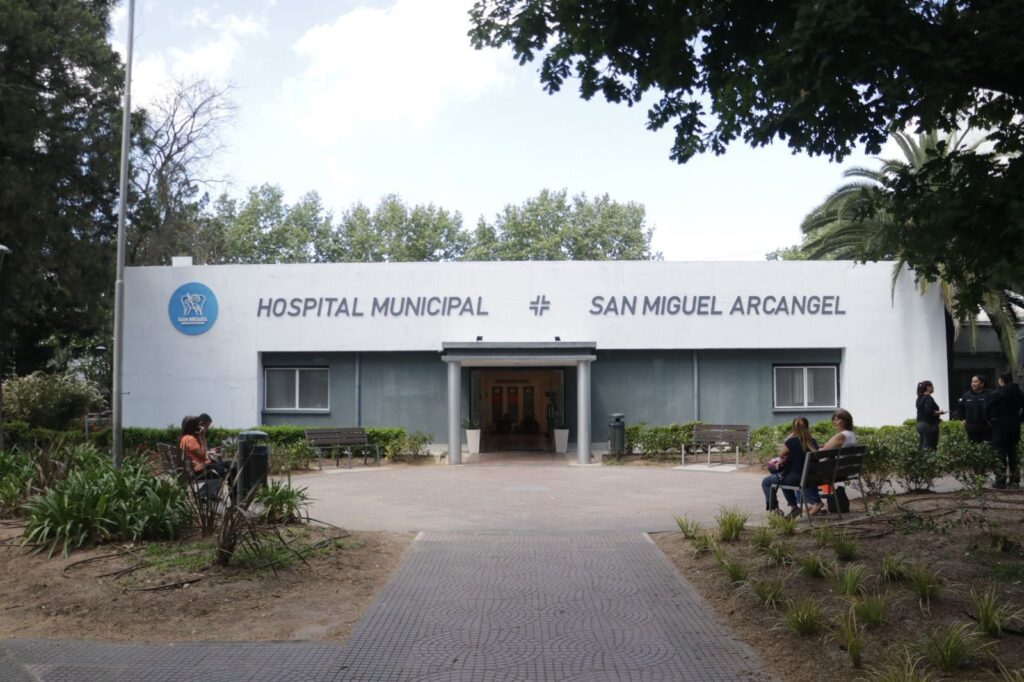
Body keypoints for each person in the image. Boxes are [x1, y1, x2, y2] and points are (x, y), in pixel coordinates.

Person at [761, 416, 818, 518]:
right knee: (782, 478)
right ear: (807, 427)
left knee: (766, 482)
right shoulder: (812, 441)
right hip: (809, 477)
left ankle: (775, 509)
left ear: (793, 428)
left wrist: (788, 438)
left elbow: (781, 454)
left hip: (796, 478)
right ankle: (793, 508)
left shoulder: (791, 441)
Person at [984, 372, 1024, 489]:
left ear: (1001, 380)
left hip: (999, 425)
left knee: (999, 452)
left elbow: (986, 408)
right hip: (1014, 425)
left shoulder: (997, 392)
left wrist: (990, 420)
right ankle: (1014, 480)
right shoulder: (1019, 392)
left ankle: (1000, 480)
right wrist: (1019, 419)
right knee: (1013, 452)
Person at [179, 415, 227, 480]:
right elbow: (203, 456)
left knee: (223, 467)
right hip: (200, 471)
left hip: (196, 470)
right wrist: (202, 437)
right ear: (193, 426)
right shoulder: (190, 439)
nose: (199, 427)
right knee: (227, 468)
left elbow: (200, 454)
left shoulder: (184, 438)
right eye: (198, 425)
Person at [958, 375, 992, 444]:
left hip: (986, 427)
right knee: (972, 447)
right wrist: (962, 419)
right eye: (972, 382)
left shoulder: (990, 394)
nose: (973, 383)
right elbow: (960, 408)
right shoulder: (966, 395)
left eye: (975, 382)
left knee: (987, 447)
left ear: (982, 384)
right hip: (971, 428)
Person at [915, 380, 945, 450]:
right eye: (932, 386)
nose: (933, 388)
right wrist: (939, 412)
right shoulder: (928, 398)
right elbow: (929, 412)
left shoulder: (919, 398)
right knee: (930, 448)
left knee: (922, 446)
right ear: (928, 387)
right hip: (929, 426)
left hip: (920, 424)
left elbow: (923, 412)